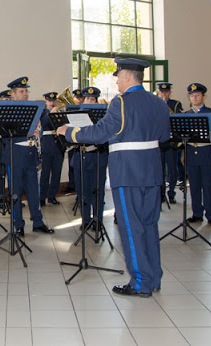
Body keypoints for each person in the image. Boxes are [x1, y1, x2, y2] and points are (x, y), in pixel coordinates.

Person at [57, 58, 169, 297]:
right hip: (151, 171)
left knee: (131, 228)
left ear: (128, 77)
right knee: (149, 226)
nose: (116, 81)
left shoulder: (121, 103)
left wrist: (70, 132)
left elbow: (101, 133)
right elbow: (164, 134)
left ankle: (140, 282)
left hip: (128, 172)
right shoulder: (158, 102)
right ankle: (154, 276)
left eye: (118, 76)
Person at [3, 76, 54, 237]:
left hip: (31, 154)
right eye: (21, 91)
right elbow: (5, 136)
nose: (25, 94)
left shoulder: (34, 109)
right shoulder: (7, 110)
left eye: (26, 91)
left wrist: (37, 131)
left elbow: (39, 130)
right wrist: (25, 133)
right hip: (16, 155)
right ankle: (19, 225)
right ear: (13, 94)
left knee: (33, 191)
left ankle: (38, 222)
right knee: (16, 193)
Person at [184, 83, 211, 228]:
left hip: (206, 152)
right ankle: (197, 213)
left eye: (197, 95)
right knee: (193, 185)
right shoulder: (186, 115)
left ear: (204, 96)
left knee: (208, 185)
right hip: (192, 154)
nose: (194, 98)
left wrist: (206, 131)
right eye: (192, 95)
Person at [71, 86, 109, 228]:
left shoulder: (103, 116)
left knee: (98, 190)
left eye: (92, 99)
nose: (89, 101)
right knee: (82, 191)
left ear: (97, 101)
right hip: (80, 155)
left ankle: (97, 219)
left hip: (97, 155)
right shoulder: (76, 114)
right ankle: (85, 219)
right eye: (87, 98)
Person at [156, 82, 182, 203]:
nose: (164, 94)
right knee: (159, 169)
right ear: (159, 92)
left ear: (170, 92)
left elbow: (179, 121)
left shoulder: (175, 104)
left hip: (171, 142)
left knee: (172, 170)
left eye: (166, 92)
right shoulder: (155, 103)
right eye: (162, 92)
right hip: (159, 142)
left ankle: (171, 193)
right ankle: (161, 194)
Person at [39, 92, 64, 207]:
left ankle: (52, 196)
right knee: (45, 173)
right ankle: (42, 197)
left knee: (57, 173)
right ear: (45, 101)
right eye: (49, 101)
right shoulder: (43, 112)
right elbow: (44, 123)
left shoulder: (59, 112)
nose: (52, 103)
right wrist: (50, 114)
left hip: (58, 146)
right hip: (47, 146)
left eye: (53, 101)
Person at [0, 90, 12, 205]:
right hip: (0, 146)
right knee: (0, 174)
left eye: (10, 100)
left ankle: (12, 197)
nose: (8, 102)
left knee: (11, 174)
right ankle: (0, 198)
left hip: (10, 145)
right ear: (0, 100)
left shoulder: (14, 113)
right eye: (6, 100)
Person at [64, 88, 85, 194]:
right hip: (73, 141)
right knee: (72, 165)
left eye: (80, 98)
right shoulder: (70, 110)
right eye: (77, 98)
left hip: (83, 141)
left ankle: (80, 187)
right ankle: (72, 185)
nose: (78, 100)